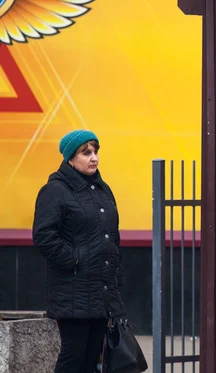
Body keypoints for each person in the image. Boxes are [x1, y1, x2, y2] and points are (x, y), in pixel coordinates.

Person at [33, 129, 126, 373]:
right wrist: (76, 260)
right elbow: (44, 236)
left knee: (92, 360)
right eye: (86, 153)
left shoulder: (102, 190)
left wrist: (114, 280)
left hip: (100, 289)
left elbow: (111, 237)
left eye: (95, 152)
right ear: (70, 159)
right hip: (73, 289)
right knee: (73, 357)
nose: (94, 158)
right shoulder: (55, 191)